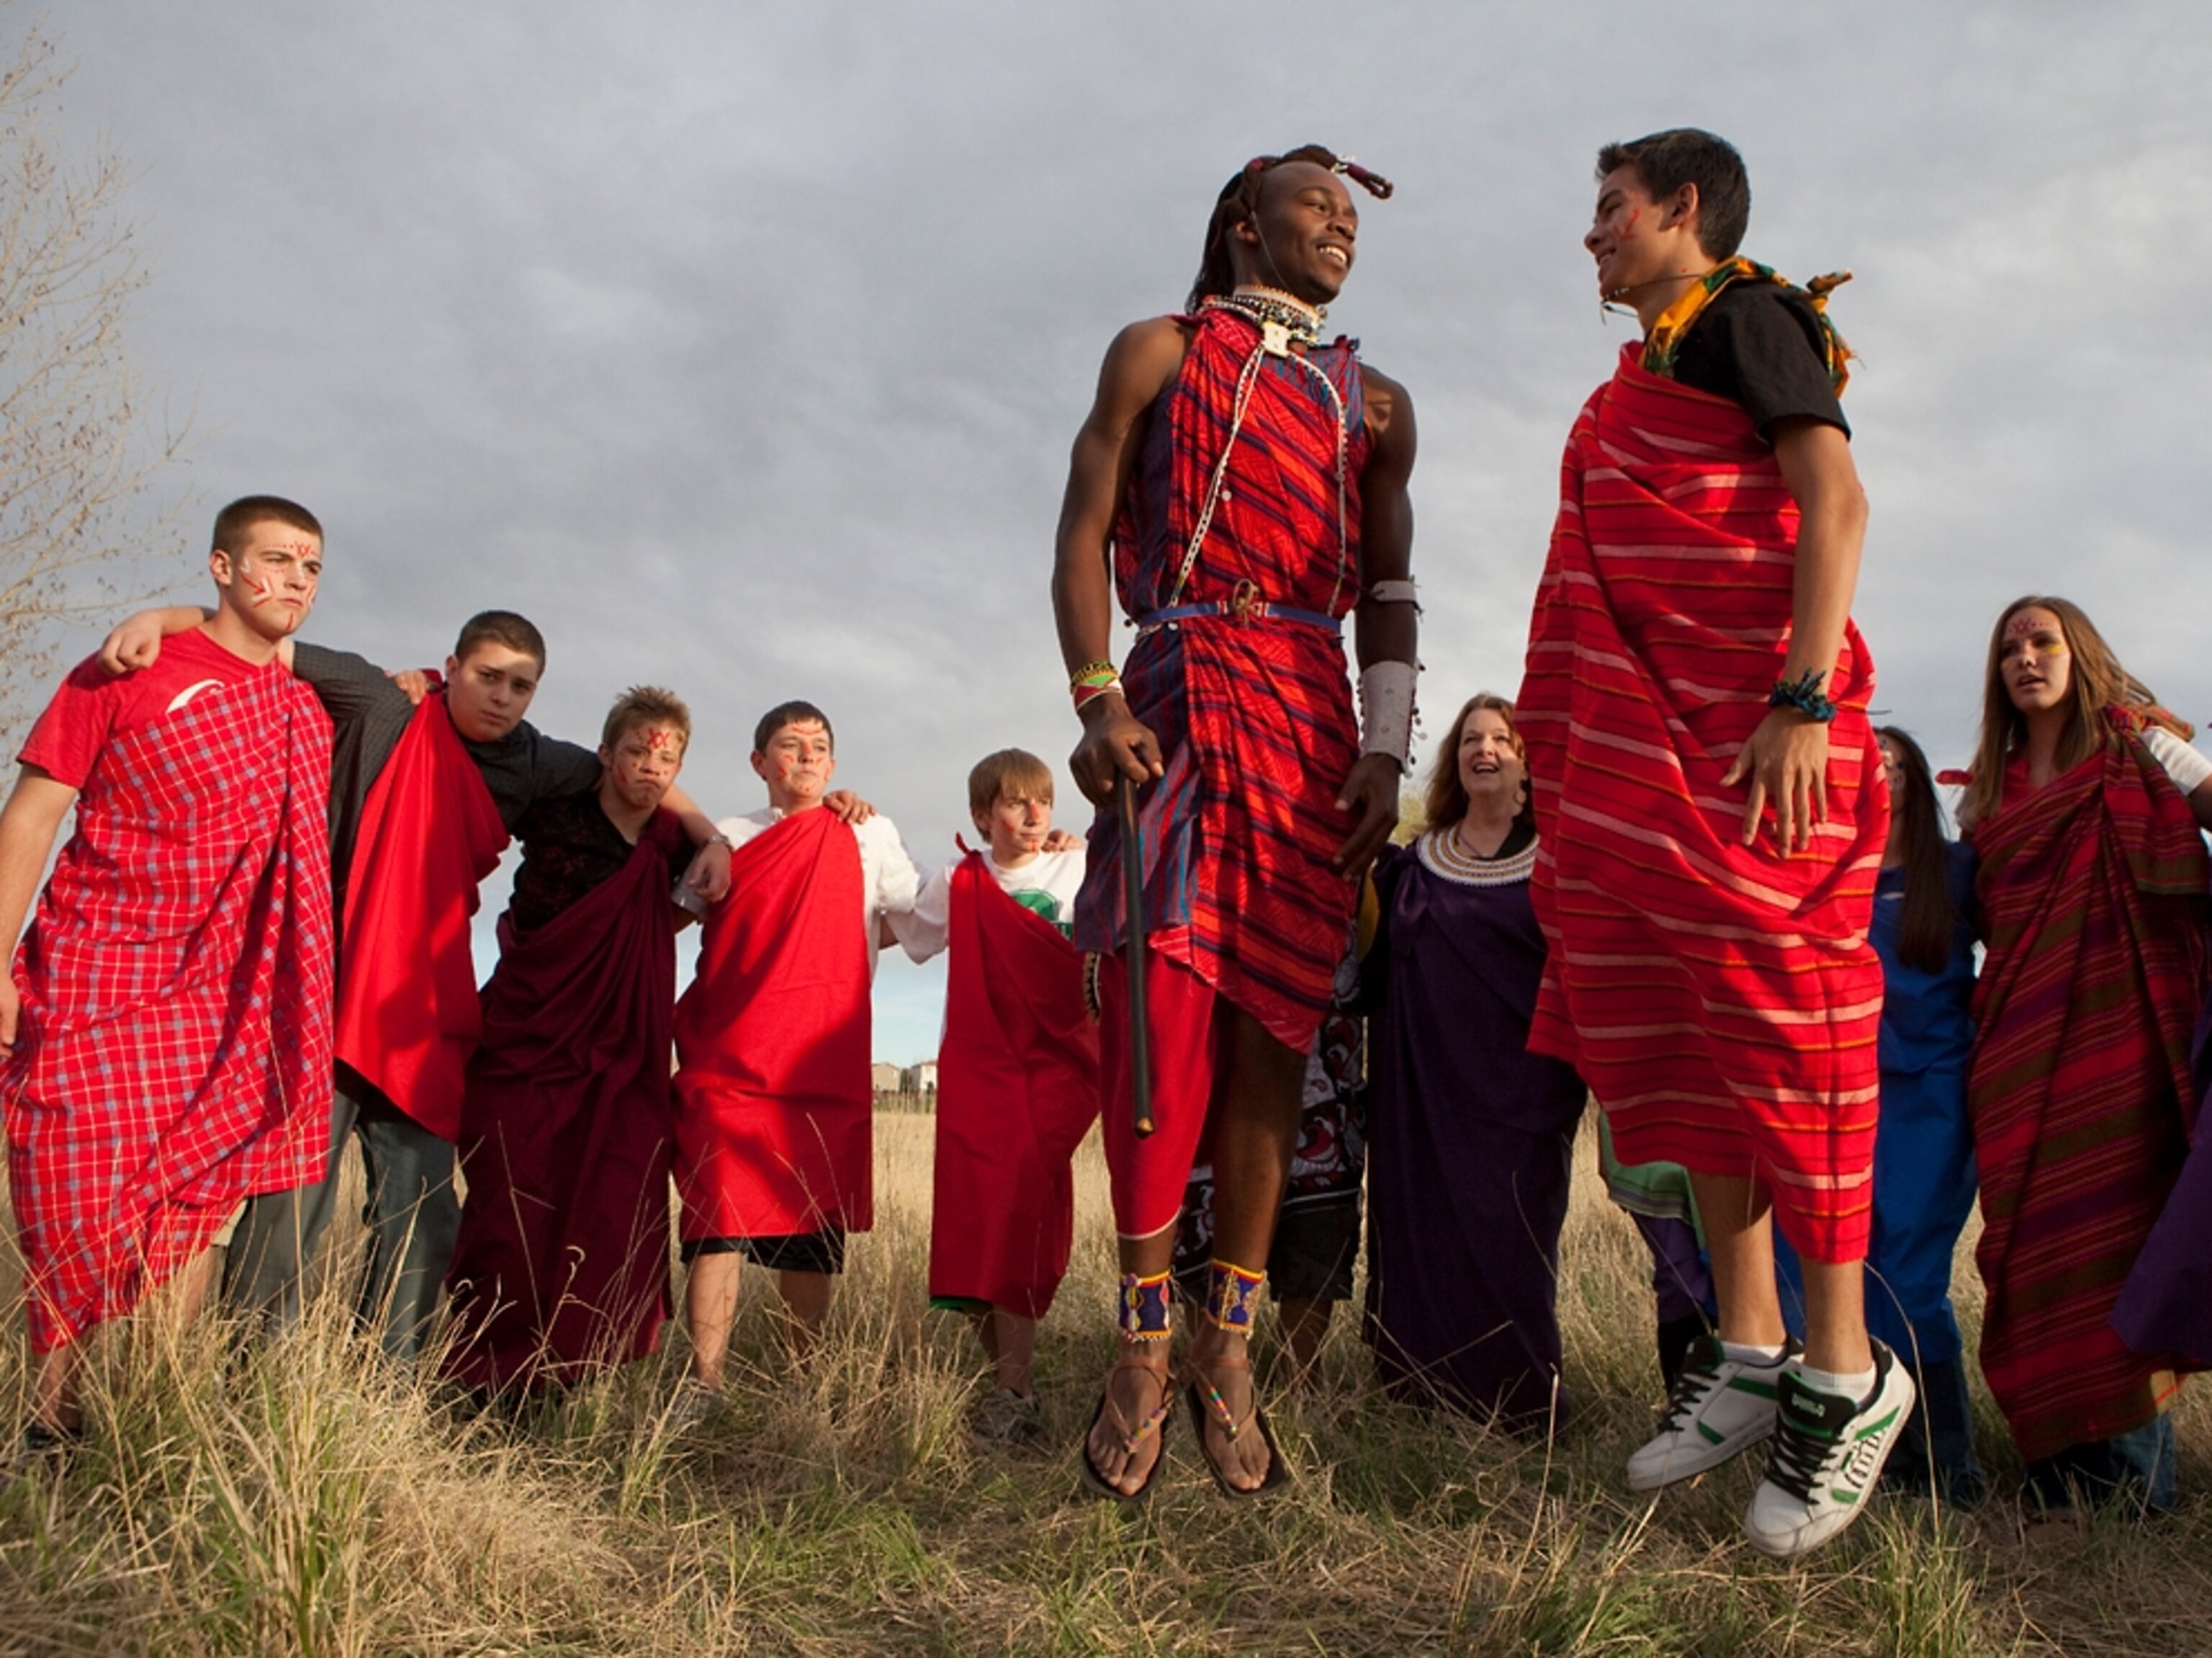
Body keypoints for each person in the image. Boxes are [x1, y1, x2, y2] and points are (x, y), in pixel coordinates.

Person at [1515, 128, 1912, 1557]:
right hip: (1661, 754)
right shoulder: (1629, 385)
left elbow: (1837, 503)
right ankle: (1748, 1349)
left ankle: (1848, 1371)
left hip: (1762, 746)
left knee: (1789, 1024)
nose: (1593, 234)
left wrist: (1801, 697)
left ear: (1686, 210)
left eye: (1611, 209)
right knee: (1690, 1031)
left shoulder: (1751, 315)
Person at [1051, 142, 1419, 1499]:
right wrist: (1095, 700)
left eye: (1349, 214)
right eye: (1314, 206)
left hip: (1311, 719)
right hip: (1175, 694)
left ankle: (1226, 1343)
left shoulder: (1371, 401)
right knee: (1158, 1019)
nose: (1340, 226)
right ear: (1243, 222)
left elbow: (1388, 589)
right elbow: (1083, 527)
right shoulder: (1155, 351)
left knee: (1277, 1031)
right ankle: (1139, 1340)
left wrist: (1385, 748)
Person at [94, 606, 734, 1357]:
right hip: (323, 982)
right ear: (451, 666)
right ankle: (257, 1373)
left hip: (421, 998)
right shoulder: (383, 703)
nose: (502, 697)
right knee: (294, 1199)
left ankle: (385, 1377)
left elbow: (634, 774)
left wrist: (713, 835)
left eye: (521, 686)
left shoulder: (532, 761)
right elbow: (260, 636)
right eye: (487, 676)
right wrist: (160, 619)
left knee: (427, 1204)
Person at [0, 496, 334, 1456]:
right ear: (223, 567)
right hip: (96, 965)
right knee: (71, 1187)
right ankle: (49, 1415)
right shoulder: (127, 669)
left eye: (313, 567)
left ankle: (155, 1412)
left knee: (188, 1202)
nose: (298, 582)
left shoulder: (303, 710)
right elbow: (33, 813)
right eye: (278, 560)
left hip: (225, 997)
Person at [1961, 597, 2211, 1518]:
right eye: (2011, 649)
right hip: (2020, 1051)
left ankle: (2142, 1484)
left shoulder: (2139, 749)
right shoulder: (1985, 794)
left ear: (2079, 653)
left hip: (2127, 1042)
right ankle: (2056, 1477)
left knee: (2121, 1248)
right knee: (2029, 1254)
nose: (2026, 658)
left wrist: (2178, 766)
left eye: (2043, 642)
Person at [441, 688, 701, 1396]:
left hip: (618, 1061)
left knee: (610, 1198)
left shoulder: (671, 845)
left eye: (668, 758)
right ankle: (484, 1368)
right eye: (639, 753)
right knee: (512, 1202)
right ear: (605, 756)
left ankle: (570, 1368)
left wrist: (715, 843)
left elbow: (675, 907)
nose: (652, 769)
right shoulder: (556, 809)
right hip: (528, 1041)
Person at [675, 701, 920, 1386]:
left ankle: (801, 1380)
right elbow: (670, 912)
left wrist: (1036, 858)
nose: (807, 756)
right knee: (717, 1214)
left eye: (819, 746)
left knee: (810, 1228)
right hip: (729, 1056)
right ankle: (707, 1381)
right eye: (791, 744)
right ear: (759, 763)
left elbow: (921, 912)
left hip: (821, 1056)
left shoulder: (868, 832)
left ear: (835, 764)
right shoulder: (726, 834)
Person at [1361, 695, 1588, 1431]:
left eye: (1502, 739)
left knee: (1512, 1241)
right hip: (1420, 1091)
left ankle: (1519, 1403)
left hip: (1523, 1093)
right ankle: (1416, 1393)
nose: (1485, 750)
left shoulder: (1556, 860)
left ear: (1528, 762)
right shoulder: (1411, 861)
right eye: (1471, 740)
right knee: (1419, 1230)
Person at [1774, 727, 1987, 1507]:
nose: (1883, 773)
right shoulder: (1824, 869)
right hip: (1833, 1096)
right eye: (1869, 761)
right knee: (1826, 1274)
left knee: (1910, 1280)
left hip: (1929, 1099)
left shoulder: (1957, 871)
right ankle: (1854, 1459)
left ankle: (1945, 1466)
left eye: (1897, 763)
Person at [895, 749, 1099, 1443]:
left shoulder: (1080, 866)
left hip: (1058, 1072)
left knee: (1020, 1216)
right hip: (979, 1072)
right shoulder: (960, 879)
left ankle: (1014, 1389)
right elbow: (898, 925)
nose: (1036, 814)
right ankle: (1010, 1381)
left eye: (1043, 800)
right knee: (974, 1225)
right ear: (983, 817)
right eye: (1016, 803)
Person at [1170, 941, 1365, 1392]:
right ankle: (1209, 1362)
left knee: (1320, 1170)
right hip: (1210, 946)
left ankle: (1302, 1376)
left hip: (1317, 951)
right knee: (1203, 1160)